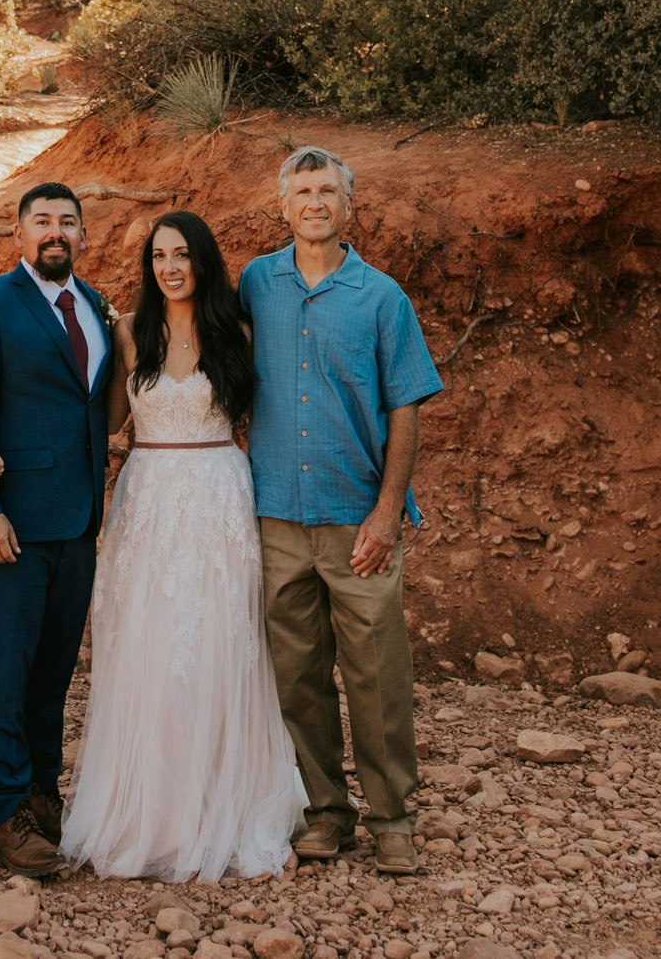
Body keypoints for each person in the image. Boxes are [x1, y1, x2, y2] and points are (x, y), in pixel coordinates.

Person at [60, 211, 302, 882]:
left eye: (182, 255)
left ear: (202, 262)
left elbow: (274, 418)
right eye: (160, 256)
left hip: (219, 498)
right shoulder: (131, 334)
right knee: (149, 646)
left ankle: (220, 805)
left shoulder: (238, 334)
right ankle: (150, 812)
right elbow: (105, 419)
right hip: (148, 501)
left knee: (222, 644)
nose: (170, 267)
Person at [240, 146, 443, 878]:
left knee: (377, 677)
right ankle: (326, 812)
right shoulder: (255, 284)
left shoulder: (382, 297)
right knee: (297, 677)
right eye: (303, 191)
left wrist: (388, 513)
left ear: (348, 206)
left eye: (328, 191)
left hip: (358, 519)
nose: (316, 202)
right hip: (277, 520)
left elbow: (406, 408)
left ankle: (394, 818)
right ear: (284, 204)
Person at [0, 181, 114, 878]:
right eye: (41, 221)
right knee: (8, 672)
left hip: (78, 523)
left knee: (53, 674)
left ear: (82, 235)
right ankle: (7, 813)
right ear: (17, 235)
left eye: (67, 222)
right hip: (9, 525)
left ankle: (44, 798)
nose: (55, 232)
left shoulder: (94, 306)